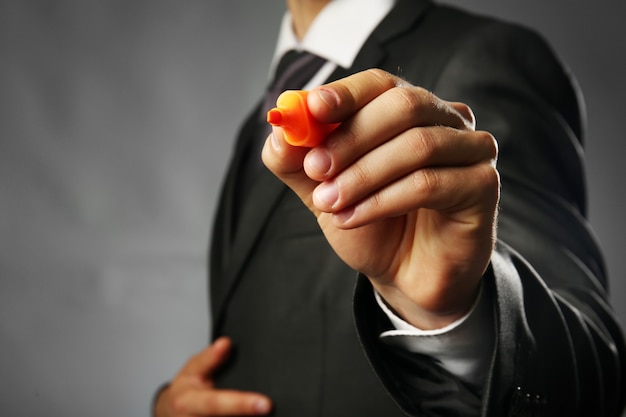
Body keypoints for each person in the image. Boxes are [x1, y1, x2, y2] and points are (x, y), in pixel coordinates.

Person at [154, 0, 626, 416]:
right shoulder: (255, 123)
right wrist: (173, 403)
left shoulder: (483, 56)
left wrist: (457, 316)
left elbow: (591, 384)